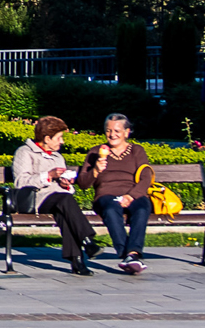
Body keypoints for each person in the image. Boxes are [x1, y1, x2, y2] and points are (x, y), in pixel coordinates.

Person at [11, 115, 97, 275]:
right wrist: (48, 175)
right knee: (64, 199)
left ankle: (77, 260)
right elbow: (21, 182)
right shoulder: (24, 153)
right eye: (59, 138)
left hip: (58, 200)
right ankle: (87, 240)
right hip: (36, 199)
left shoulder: (58, 157)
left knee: (64, 209)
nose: (62, 142)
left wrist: (65, 184)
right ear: (47, 138)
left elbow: (62, 188)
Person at [76, 113, 154, 275]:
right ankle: (129, 256)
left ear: (127, 132)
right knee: (111, 209)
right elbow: (83, 183)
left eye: (117, 131)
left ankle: (132, 253)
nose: (112, 135)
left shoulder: (137, 151)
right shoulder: (96, 152)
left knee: (142, 208)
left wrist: (131, 196)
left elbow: (146, 177)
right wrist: (96, 169)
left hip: (133, 194)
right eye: (108, 131)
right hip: (106, 195)